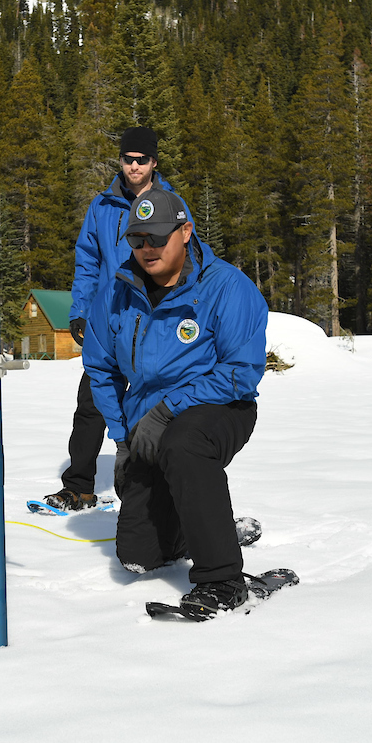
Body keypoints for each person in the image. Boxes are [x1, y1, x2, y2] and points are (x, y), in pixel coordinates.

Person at [81, 187, 269, 620]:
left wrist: (168, 411)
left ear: (185, 232)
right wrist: (123, 438)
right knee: (138, 556)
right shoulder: (117, 293)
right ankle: (204, 525)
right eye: (137, 239)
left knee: (183, 444)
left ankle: (222, 577)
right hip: (145, 423)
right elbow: (101, 369)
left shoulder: (227, 287)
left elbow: (241, 372)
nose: (147, 249)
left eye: (158, 237)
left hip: (221, 407)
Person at [41, 126, 192, 512]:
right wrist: (79, 310)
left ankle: (170, 491)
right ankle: (79, 487)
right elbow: (88, 262)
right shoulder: (102, 206)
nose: (135, 166)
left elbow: (189, 259)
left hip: (156, 320)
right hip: (110, 319)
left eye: (142, 159)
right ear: (120, 161)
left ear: (154, 162)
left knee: (159, 404)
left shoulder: (171, 202)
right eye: (128, 159)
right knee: (91, 401)